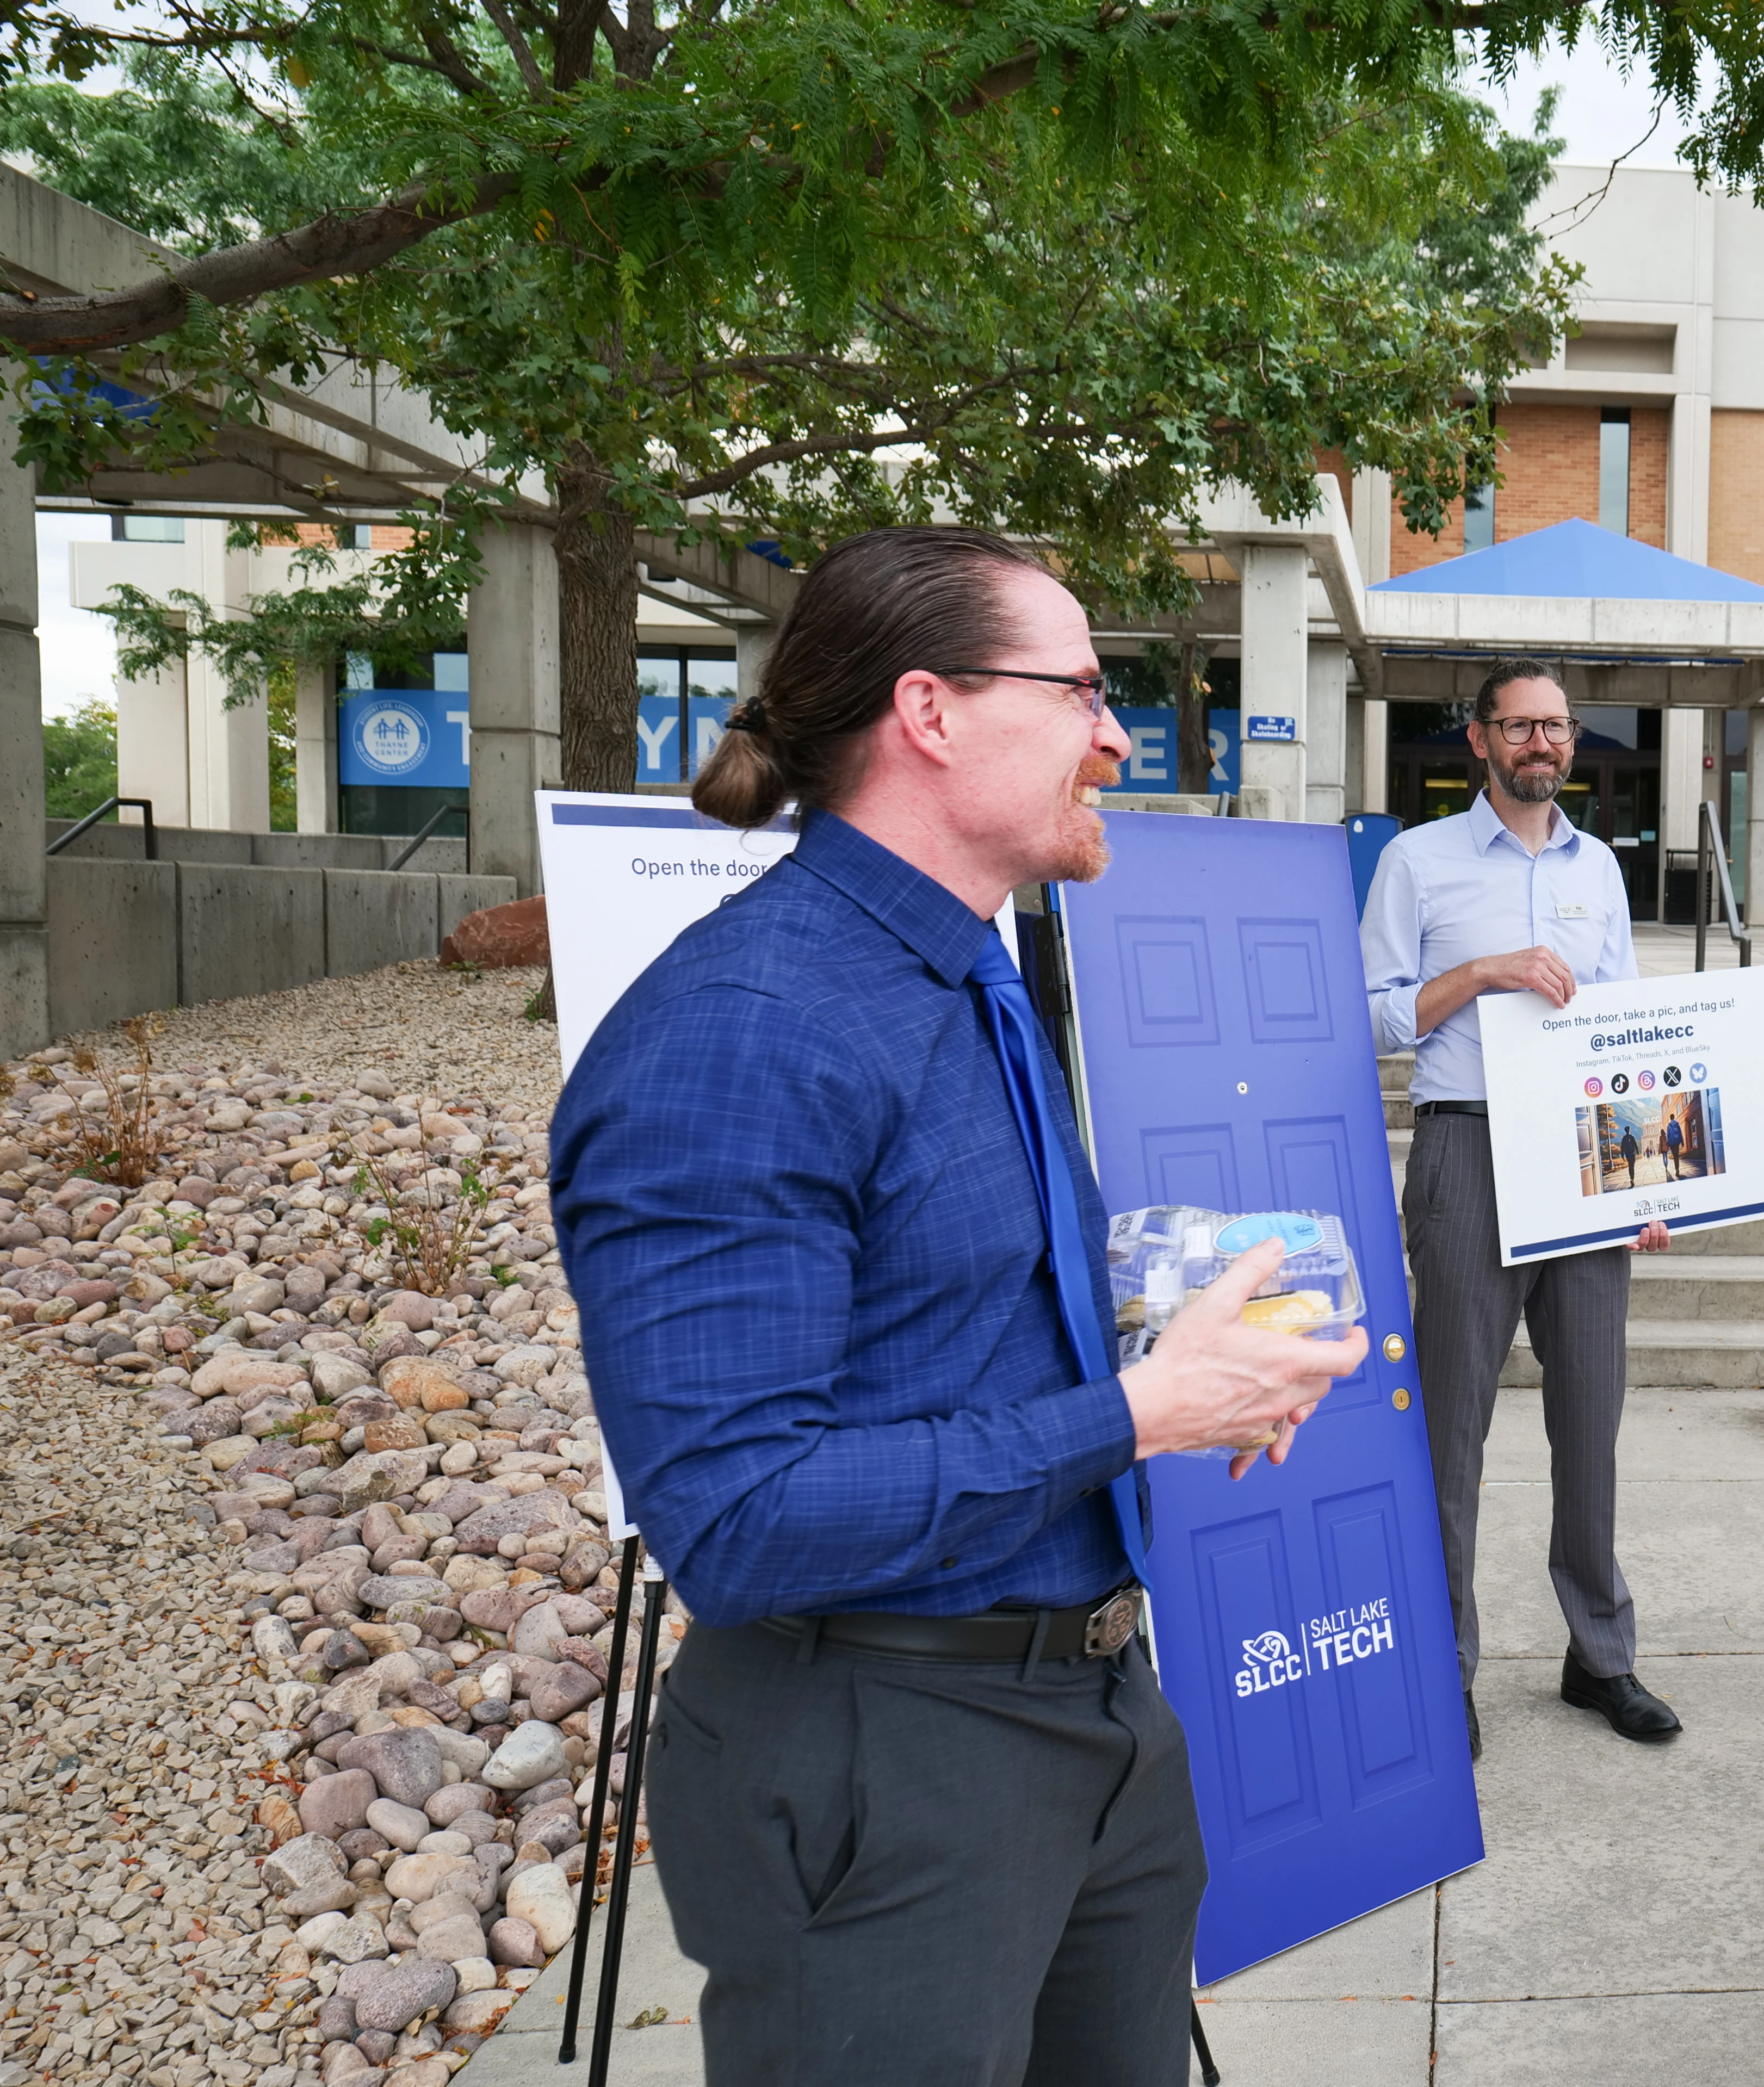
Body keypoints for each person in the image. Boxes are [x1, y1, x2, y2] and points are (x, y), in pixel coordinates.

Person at [552, 527, 1364, 2086]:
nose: (1119, 736)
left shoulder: (973, 971)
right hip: (886, 1762)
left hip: (1094, 1722)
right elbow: (732, 1516)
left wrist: (1195, 1362)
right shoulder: (743, 1032)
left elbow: (959, 1319)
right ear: (929, 714)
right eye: (1080, 691)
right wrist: (1134, 1413)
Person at [1361, 658, 1682, 1760]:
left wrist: (1649, 1180)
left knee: (1589, 1422)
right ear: (1482, 739)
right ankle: (1442, 1668)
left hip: (1588, 1154)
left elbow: (1635, 1027)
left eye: (1559, 725)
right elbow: (1373, 1021)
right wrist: (1487, 971)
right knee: (1451, 1428)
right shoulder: (1417, 860)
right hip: (1469, 1145)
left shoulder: (1599, 867)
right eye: (1522, 725)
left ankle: (1600, 1656)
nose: (1544, 741)